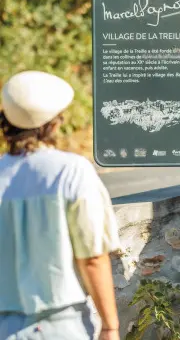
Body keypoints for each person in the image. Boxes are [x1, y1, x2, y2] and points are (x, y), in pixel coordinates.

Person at [0, 71, 121, 340]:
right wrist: (110, 325)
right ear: (53, 125)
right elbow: (91, 257)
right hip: (64, 324)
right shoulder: (71, 172)